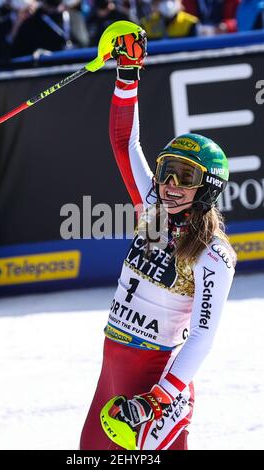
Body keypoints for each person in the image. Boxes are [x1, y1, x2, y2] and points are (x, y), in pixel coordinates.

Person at [80, 30, 236, 450]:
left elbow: (203, 337)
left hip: (153, 382)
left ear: (208, 187)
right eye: (166, 170)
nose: (168, 184)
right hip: (114, 364)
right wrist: (127, 75)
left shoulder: (213, 253)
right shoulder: (152, 209)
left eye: (185, 177)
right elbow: (123, 142)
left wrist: (158, 399)